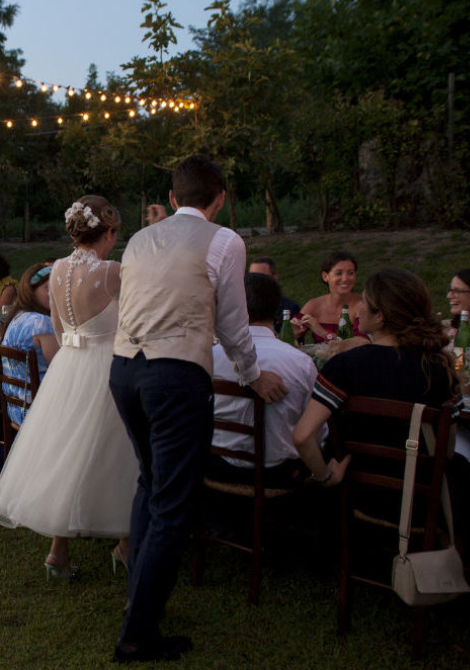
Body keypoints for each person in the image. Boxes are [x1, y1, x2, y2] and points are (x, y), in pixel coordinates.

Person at [109, 154, 288, 664]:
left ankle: (137, 600)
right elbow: (234, 323)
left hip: (124, 369)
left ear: (171, 198)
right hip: (173, 375)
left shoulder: (141, 239)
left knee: (150, 482)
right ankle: (138, 633)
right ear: (221, 199)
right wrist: (253, 377)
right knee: (172, 503)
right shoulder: (225, 240)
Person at [0, 197, 135, 582]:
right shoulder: (111, 271)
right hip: (107, 367)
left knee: (71, 452)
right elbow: (135, 322)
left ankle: (60, 551)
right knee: (117, 453)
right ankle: (126, 544)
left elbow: (61, 327)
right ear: (110, 232)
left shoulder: (58, 269)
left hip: (69, 366)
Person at [291, 269, 466, 499]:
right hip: (418, 496)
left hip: (356, 491)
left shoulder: (345, 364)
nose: (359, 307)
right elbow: (448, 450)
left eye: (364, 300)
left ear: (380, 316)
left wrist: (325, 476)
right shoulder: (441, 367)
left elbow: (302, 436)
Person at [209, 273, 326, 489]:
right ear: (277, 310)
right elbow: (317, 435)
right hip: (275, 475)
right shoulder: (299, 362)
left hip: (214, 467)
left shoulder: (209, 357)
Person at [0, 263, 58, 426]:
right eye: (47, 288)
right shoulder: (41, 322)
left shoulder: (16, 317)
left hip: (16, 407)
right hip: (37, 411)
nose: (54, 293)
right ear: (31, 290)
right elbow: (60, 370)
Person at [293, 251, 362, 343]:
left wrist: (322, 332)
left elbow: (359, 344)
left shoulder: (363, 305)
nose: (345, 279)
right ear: (325, 276)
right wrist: (293, 331)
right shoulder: (314, 305)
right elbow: (287, 337)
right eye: (339, 273)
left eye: (350, 273)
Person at [248, 255, 300, 333]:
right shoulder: (240, 307)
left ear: (274, 278)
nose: (256, 282)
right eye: (252, 277)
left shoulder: (289, 308)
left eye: (261, 277)